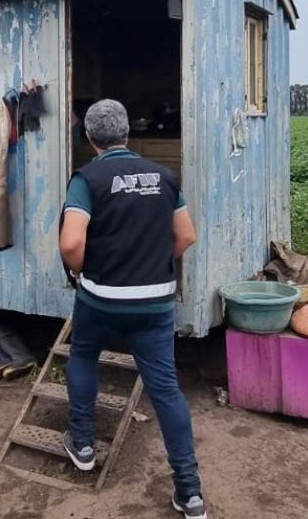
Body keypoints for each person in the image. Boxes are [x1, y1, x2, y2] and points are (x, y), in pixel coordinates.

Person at [59, 99, 207, 519]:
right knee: (164, 389)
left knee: (84, 354)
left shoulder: (87, 179)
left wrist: (86, 270)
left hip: (102, 298)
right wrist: (156, 264)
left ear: (89, 138)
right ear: (128, 134)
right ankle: (190, 492)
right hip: (155, 301)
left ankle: (83, 445)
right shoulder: (164, 177)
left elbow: (71, 244)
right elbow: (187, 236)